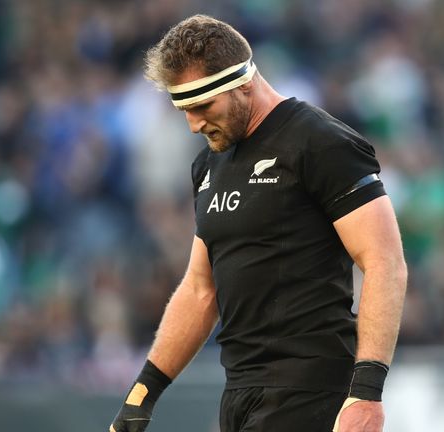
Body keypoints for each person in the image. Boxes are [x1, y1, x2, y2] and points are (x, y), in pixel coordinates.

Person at [109, 14, 406, 432]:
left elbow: (384, 262)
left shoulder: (320, 142)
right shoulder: (209, 163)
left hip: (311, 389)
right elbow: (200, 288)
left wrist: (367, 393)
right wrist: (142, 394)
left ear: (243, 82)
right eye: (184, 110)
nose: (193, 124)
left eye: (202, 106)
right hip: (239, 392)